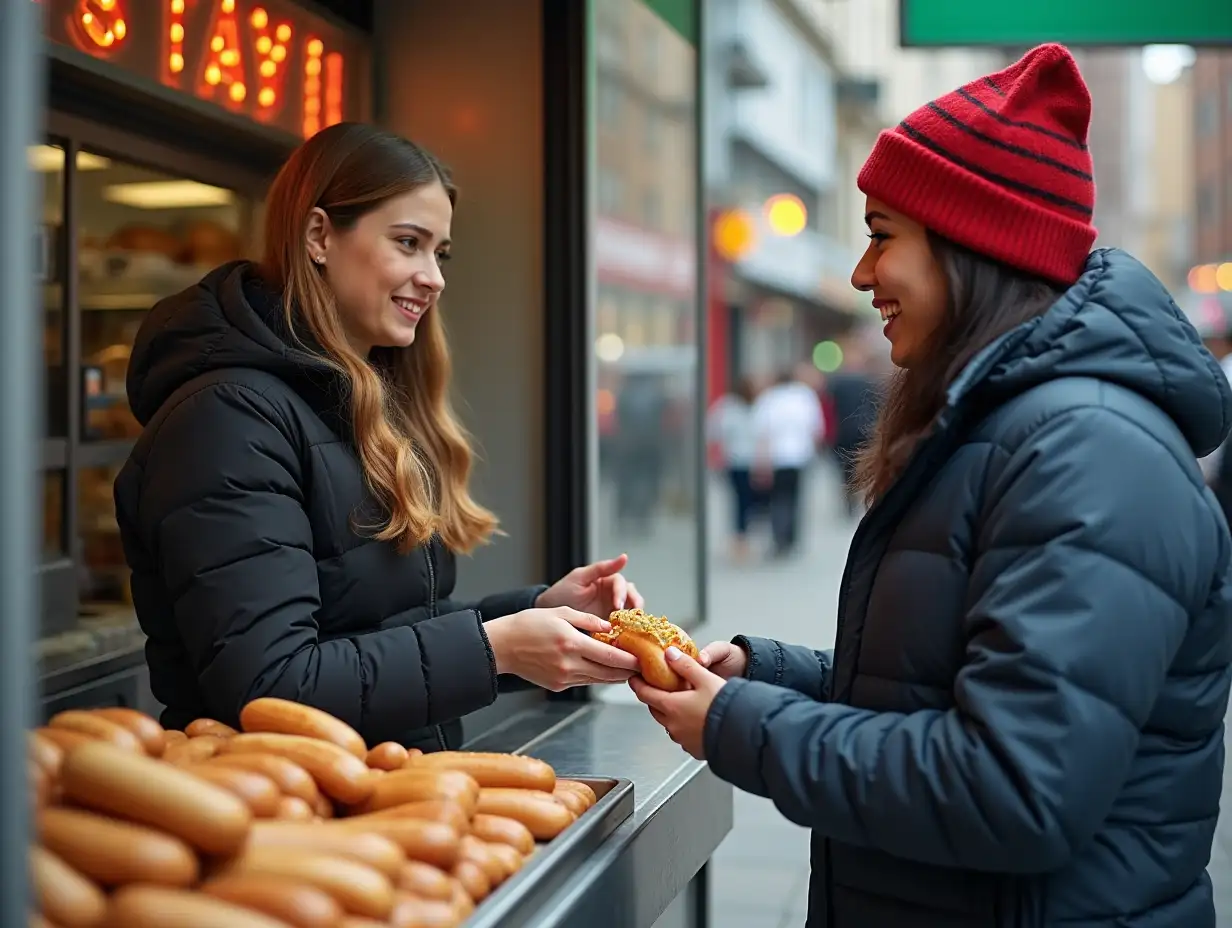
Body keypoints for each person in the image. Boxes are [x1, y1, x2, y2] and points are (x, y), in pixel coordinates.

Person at [631, 45, 1232, 927]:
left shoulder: (1088, 452)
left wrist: (740, 729)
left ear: (973, 246)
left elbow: (1014, 788)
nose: (861, 275)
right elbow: (955, 682)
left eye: (882, 236)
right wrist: (769, 675)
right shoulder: (1015, 426)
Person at [114, 123, 642, 752]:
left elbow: (380, 631)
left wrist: (534, 614)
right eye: (408, 243)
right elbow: (271, 686)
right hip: (283, 819)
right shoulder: (226, 420)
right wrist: (495, 649)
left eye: (439, 253)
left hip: (378, 805)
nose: (434, 277)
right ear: (319, 237)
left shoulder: (351, 401)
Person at [751, 365, 823, 556]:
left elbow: (762, 433)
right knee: (795, 497)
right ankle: (791, 536)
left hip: (777, 457)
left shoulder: (769, 398)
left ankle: (779, 537)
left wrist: (761, 462)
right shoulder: (804, 396)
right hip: (800, 455)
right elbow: (816, 427)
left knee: (778, 499)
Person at [706, 376, 764, 559]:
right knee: (747, 502)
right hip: (751, 461)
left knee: (739, 501)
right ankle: (742, 538)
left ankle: (739, 539)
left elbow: (713, 432)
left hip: (733, 461)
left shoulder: (726, 407)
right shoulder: (756, 407)